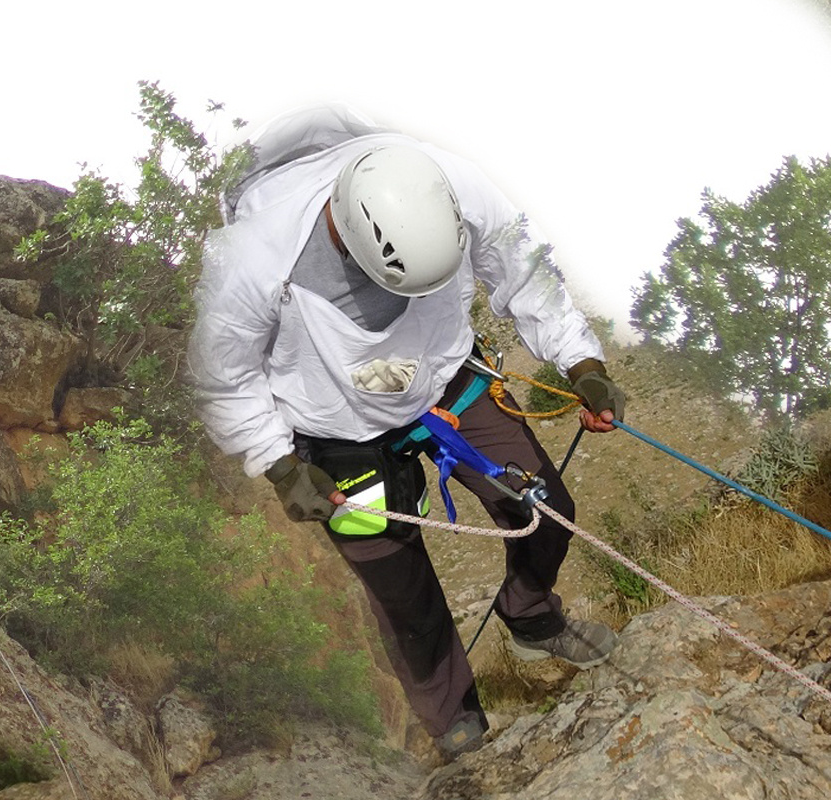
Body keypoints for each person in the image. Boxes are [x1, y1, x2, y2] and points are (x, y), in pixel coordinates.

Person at [189, 107, 627, 761]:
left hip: (446, 379)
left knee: (545, 508)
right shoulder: (253, 257)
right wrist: (280, 467)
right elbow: (227, 377)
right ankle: (455, 719)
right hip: (332, 427)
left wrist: (583, 363)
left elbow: (524, 271)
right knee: (399, 581)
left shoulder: (453, 184)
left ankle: (531, 617)